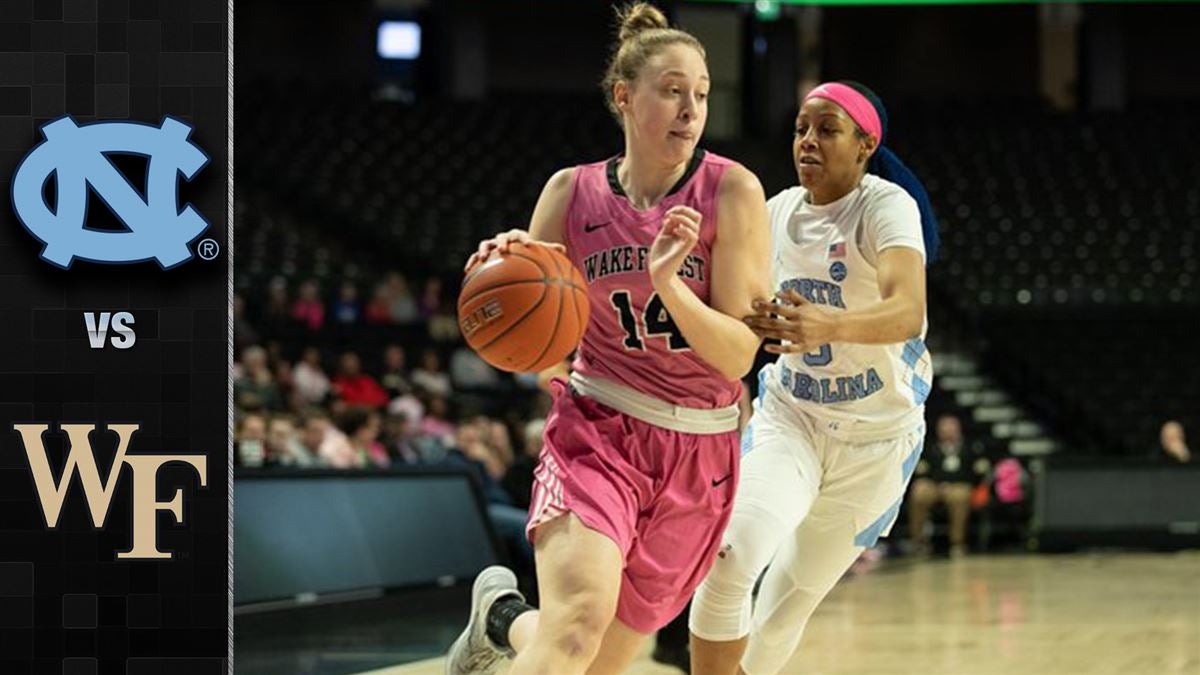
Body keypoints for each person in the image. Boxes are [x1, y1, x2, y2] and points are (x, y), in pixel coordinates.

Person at [444, 5, 772, 675]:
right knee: (575, 629)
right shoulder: (570, 193)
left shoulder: (732, 191)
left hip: (698, 454)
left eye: (702, 94)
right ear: (624, 96)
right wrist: (500, 269)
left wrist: (670, 285)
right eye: (673, 89)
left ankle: (501, 620)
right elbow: (528, 342)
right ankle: (514, 622)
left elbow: (740, 354)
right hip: (597, 432)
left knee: (595, 658)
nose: (691, 108)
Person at [688, 80, 940, 675]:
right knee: (727, 558)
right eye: (802, 128)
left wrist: (830, 324)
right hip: (792, 419)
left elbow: (907, 311)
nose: (808, 141)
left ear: (864, 146)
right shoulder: (774, 213)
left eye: (827, 130)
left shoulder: (885, 207)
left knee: (781, 613)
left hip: (874, 444)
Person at [907, 413, 989, 557]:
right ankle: (918, 541)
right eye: (943, 428)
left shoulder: (971, 448)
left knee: (959, 496)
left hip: (959, 486)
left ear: (958, 429)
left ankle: (957, 543)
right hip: (935, 485)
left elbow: (979, 472)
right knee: (919, 491)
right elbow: (921, 470)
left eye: (951, 427)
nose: (947, 431)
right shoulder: (929, 448)